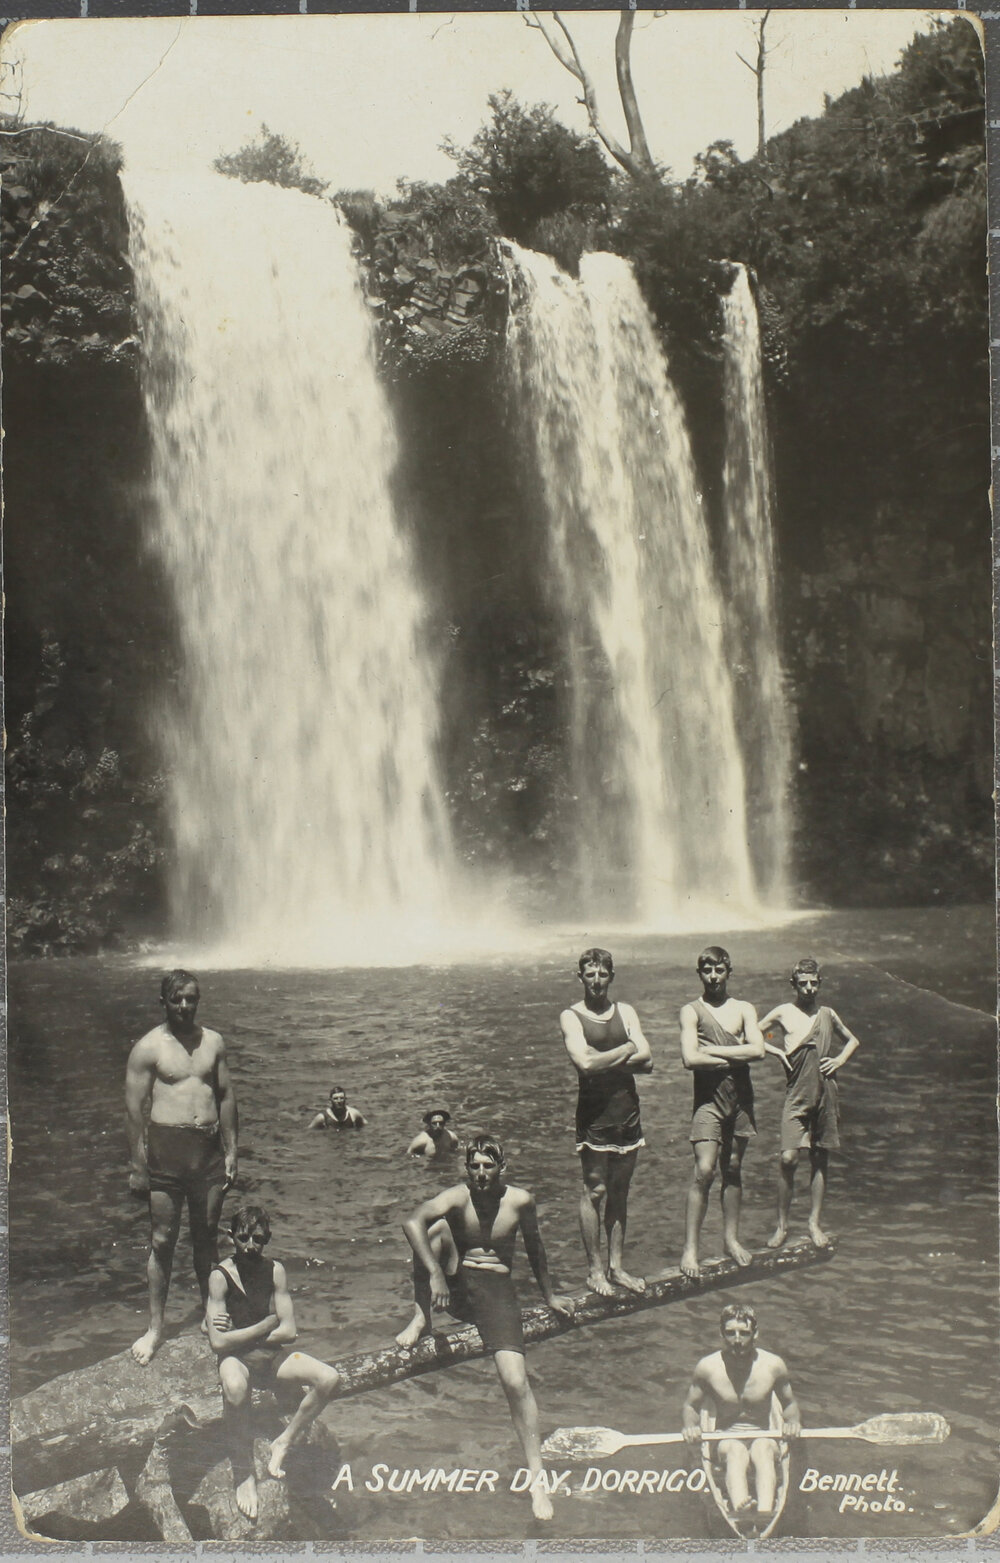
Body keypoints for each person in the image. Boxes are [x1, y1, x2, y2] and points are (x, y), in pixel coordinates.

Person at [394, 1135, 574, 1521]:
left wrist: (550, 1297)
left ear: (501, 1168)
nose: (480, 1173)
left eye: (487, 1166)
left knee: (515, 1382)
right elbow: (411, 1220)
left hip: (496, 1291)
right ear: (467, 1168)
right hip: (458, 1287)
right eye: (474, 1166)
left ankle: (537, 1480)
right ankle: (421, 1316)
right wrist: (435, 1276)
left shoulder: (520, 1201)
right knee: (433, 1230)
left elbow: (536, 1248)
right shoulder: (458, 1197)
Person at [125, 969, 238, 1364]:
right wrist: (139, 1166)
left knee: (207, 1237)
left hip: (206, 1152)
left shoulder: (214, 1043)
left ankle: (210, 1313)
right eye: (177, 1000)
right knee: (161, 1241)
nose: (185, 1006)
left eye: (191, 999)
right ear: (164, 1002)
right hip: (166, 1154)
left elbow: (225, 1098)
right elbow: (134, 1113)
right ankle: (155, 1329)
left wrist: (231, 1151)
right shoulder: (148, 1048)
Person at [206, 1203, 341, 1522]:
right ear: (230, 1238)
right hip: (234, 1361)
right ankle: (243, 1473)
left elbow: (290, 1330)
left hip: (270, 1359)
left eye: (258, 1239)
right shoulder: (219, 1277)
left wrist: (242, 1333)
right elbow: (218, 1343)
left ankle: (284, 1440)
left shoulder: (274, 1270)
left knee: (329, 1378)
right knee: (236, 1387)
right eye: (243, 1238)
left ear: (267, 1238)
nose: (250, 1246)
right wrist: (266, 1325)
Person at [560, 947, 653, 1296]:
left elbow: (649, 1061)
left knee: (620, 1192)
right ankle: (594, 1272)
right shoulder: (571, 1016)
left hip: (627, 1111)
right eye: (590, 974)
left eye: (602, 974)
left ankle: (617, 1268)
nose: (597, 981)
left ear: (611, 976)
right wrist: (627, 1049)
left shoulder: (625, 1011)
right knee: (595, 1190)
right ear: (580, 976)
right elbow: (584, 1065)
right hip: (595, 1115)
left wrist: (605, 1058)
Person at [760, 958, 861, 1250]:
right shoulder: (784, 1012)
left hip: (826, 1091)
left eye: (813, 983)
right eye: (802, 983)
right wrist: (776, 1051)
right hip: (796, 1094)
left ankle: (814, 1223)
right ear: (794, 984)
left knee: (820, 1158)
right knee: (788, 1159)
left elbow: (853, 1040)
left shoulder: (827, 1013)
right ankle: (781, 1226)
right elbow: (754, 1033)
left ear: (819, 983)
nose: (808, 989)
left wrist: (839, 1059)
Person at [679, 947, 765, 1280]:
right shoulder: (691, 1011)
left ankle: (730, 1239)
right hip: (708, 1102)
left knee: (733, 1167)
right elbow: (690, 1059)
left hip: (740, 1099)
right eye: (707, 971)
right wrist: (737, 1055)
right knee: (704, 1170)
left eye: (719, 970)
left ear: (729, 971)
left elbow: (758, 1051)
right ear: (699, 973)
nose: (713, 977)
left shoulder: (745, 1009)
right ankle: (691, 1248)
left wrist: (712, 1050)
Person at [682, 1303, 801, 1519]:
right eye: (730, 1333)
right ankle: (741, 1510)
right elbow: (691, 1406)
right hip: (727, 1436)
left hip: (764, 1434)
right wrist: (691, 1427)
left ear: (755, 1333)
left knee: (763, 1449)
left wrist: (792, 1423)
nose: (737, 1340)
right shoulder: (708, 1367)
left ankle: (765, 1513)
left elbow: (789, 1404)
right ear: (721, 1334)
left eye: (744, 1333)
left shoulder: (773, 1365)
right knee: (735, 1450)